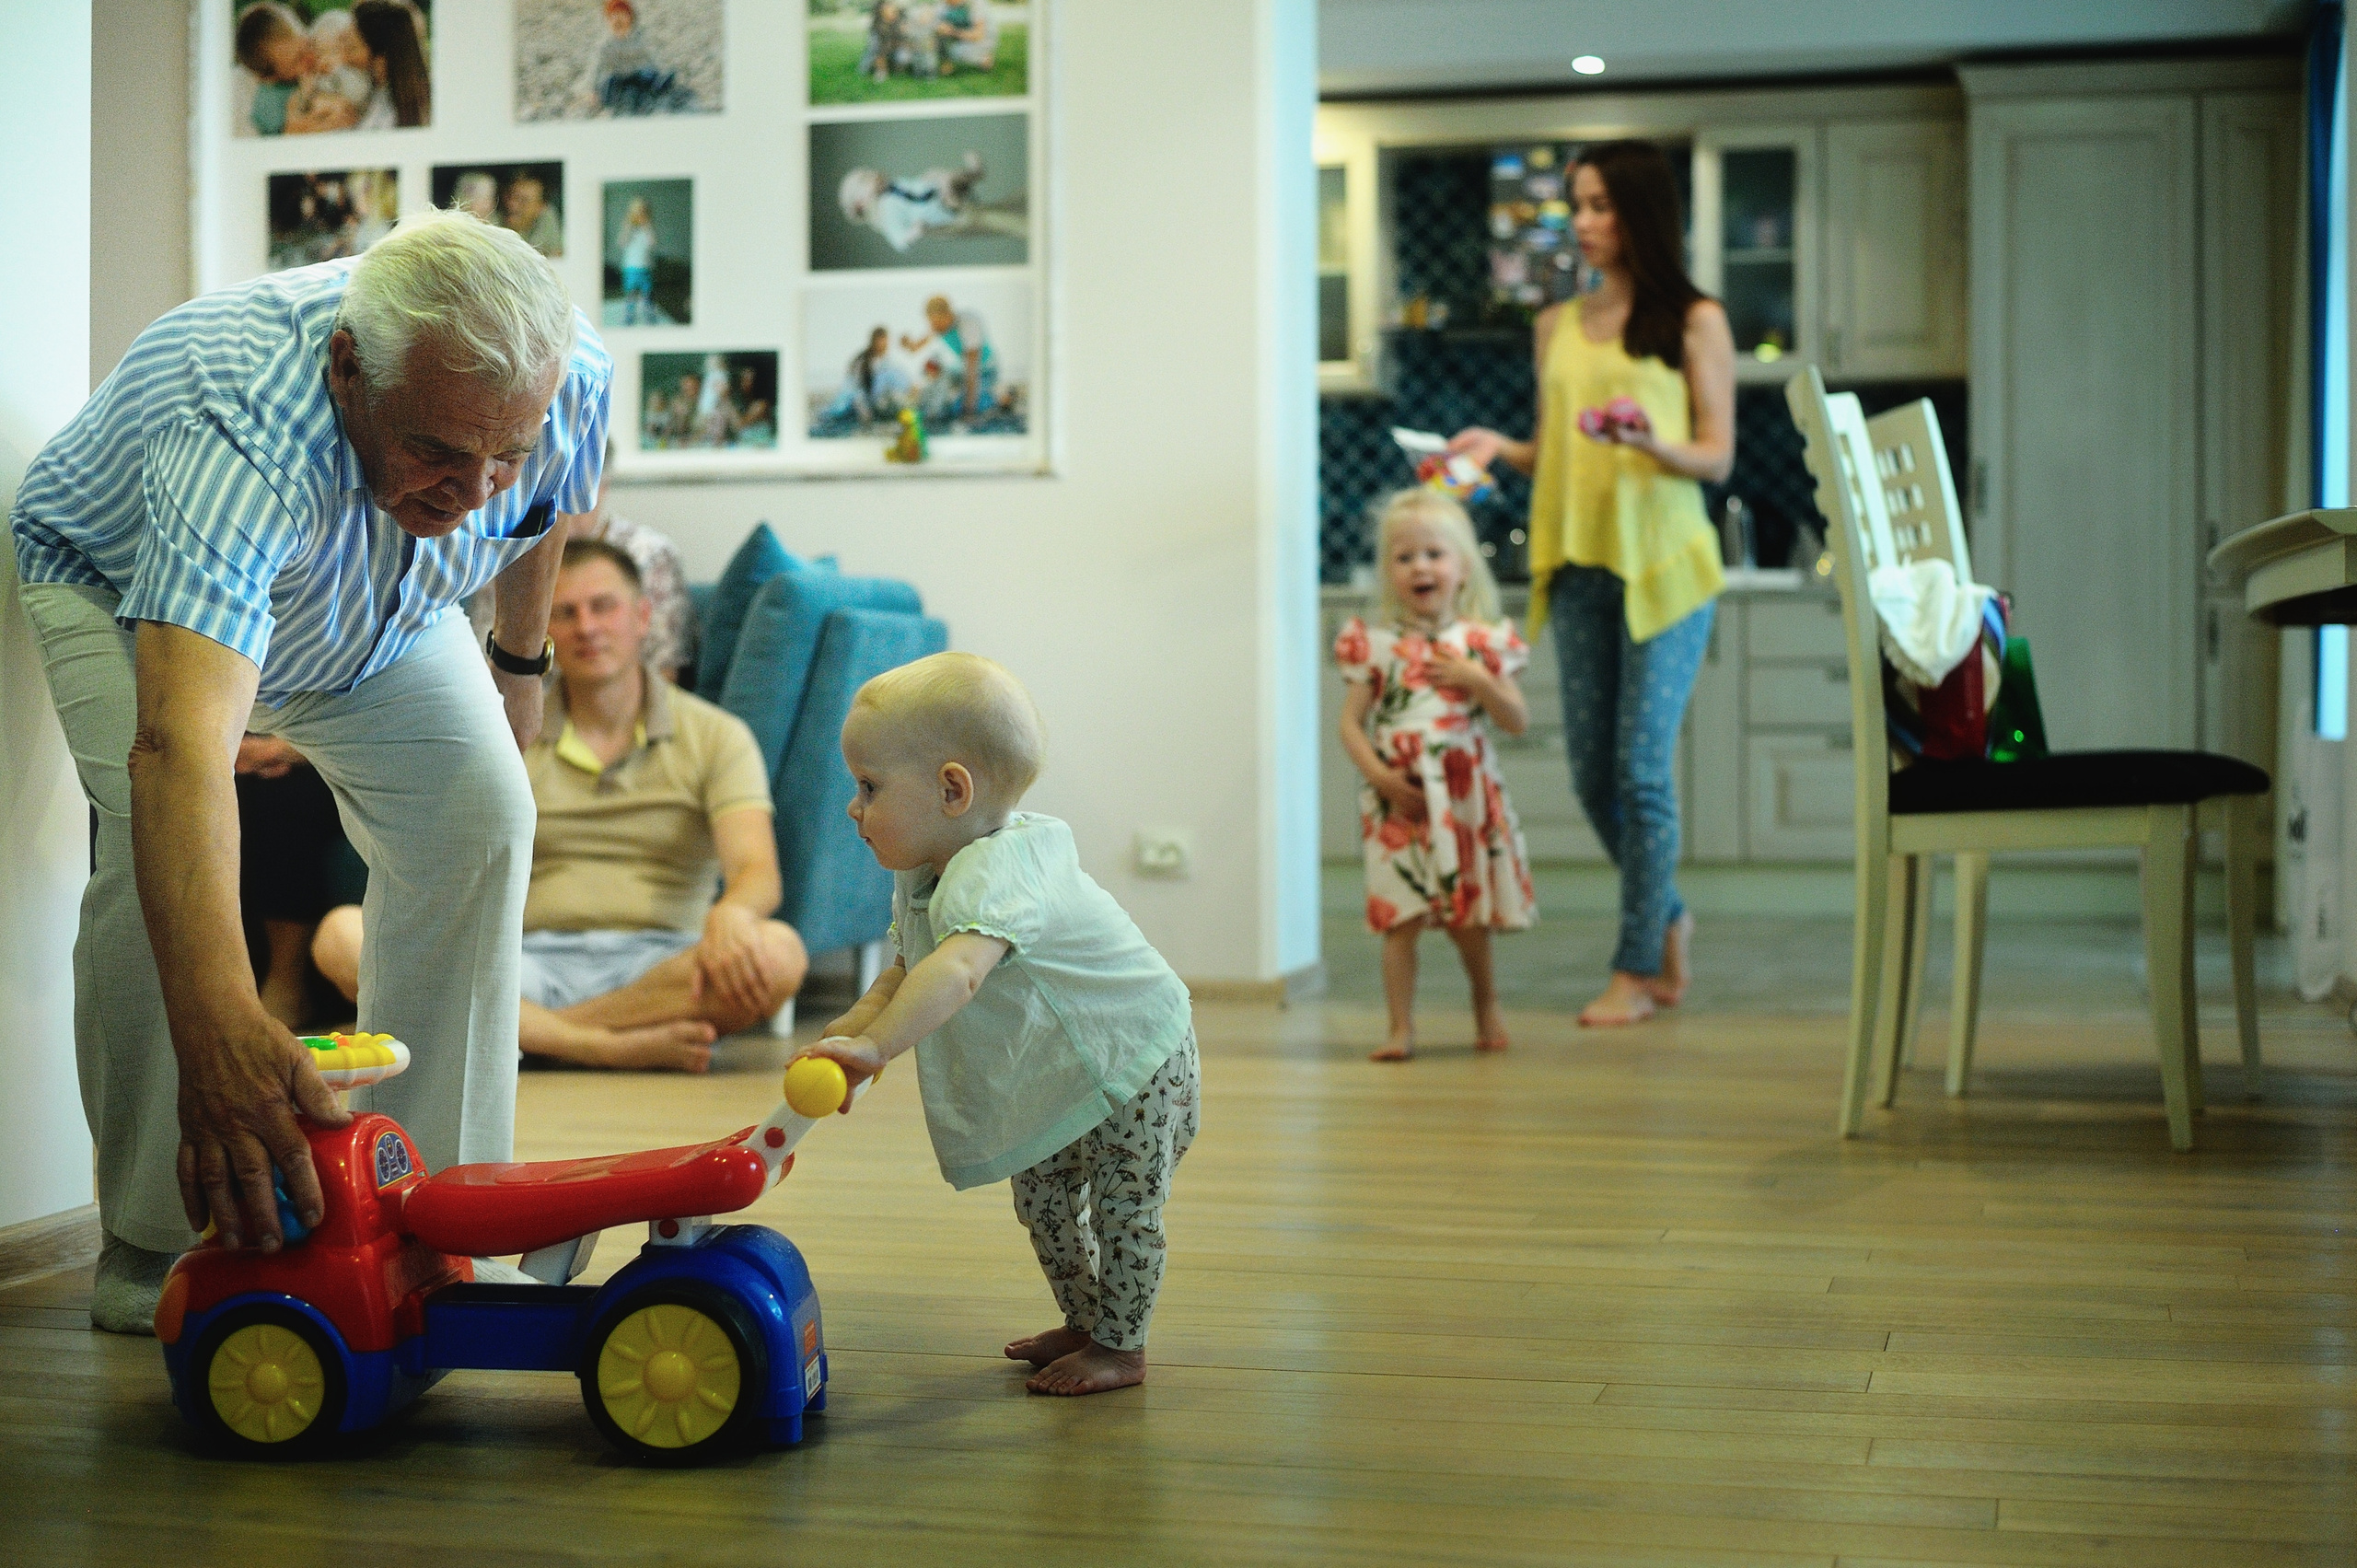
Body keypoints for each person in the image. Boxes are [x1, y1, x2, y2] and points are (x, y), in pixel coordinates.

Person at [12, 209, 609, 1332]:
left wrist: (518, 665)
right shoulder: (238, 422)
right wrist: (222, 1033)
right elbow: (178, 754)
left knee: (482, 812)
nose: (476, 484)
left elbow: (548, 507)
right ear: (349, 369)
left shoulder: (560, 370)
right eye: (437, 447)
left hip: (377, 597)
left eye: (505, 450)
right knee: (155, 855)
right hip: (111, 581)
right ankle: (157, 1241)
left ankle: (441, 1217)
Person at [798, 653, 1197, 1396]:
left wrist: (880, 1044)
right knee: (1042, 1201)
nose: (853, 807)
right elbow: (907, 967)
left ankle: (1122, 1345)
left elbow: (957, 972)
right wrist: (852, 1035)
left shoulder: (1004, 867)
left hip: (1138, 1058)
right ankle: (1086, 1319)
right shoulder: (928, 864)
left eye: (870, 786)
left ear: (953, 789)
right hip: (1069, 1066)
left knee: (1124, 1210)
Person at [317, 539, 807, 1071]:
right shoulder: (506, 731)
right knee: (342, 935)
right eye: (566, 613)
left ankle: (526, 1036)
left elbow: (757, 871)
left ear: (643, 617)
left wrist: (732, 913)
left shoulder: (718, 735)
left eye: (604, 607)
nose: (587, 627)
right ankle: (602, 1046)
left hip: (666, 968)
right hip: (522, 963)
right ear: (544, 631)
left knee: (779, 951)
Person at [1447, 139, 1735, 1028]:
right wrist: (1500, 447)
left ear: (1642, 212)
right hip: (1576, 564)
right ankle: (1670, 911)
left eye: (1601, 204)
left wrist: (1652, 442)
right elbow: (1553, 450)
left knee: (1643, 772)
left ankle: (1638, 967)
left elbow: (1717, 456)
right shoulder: (1556, 327)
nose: (1584, 222)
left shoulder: (1695, 319)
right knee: (1591, 777)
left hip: (1665, 567)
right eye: (1578, 204)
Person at [1335, 490, 1536, 1062]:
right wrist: (1383, 779)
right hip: (1396, 803)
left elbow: (1516, 720)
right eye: (1404, 557)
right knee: (1400, 917)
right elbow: (1351, 725)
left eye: (1433, 554)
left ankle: (1486, 1007)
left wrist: (1477, 678)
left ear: (1463, 566)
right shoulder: (1375, 644)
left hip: (1463, 798)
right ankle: (1400, 1027)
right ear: (1388, 572)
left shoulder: (1480, 643)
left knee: (1467, 920)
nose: (1419, 566)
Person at [236, 2, 355, 135]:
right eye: (296, 61)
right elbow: (290, 134)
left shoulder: (325, 37)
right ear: (269, 78)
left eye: (308, 44)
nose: (309, 57)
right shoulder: (268, 105)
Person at [900, 295, 994, 424]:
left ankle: (1001, 398)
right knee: (937, 369)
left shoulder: (967, 324)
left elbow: (972, 372)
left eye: (936, 323)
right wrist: (907, 344)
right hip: (962, 369)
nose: (934, 327)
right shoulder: (938, 325)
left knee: (963, 407)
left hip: (985, 369)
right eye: (931, 323)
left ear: (947, 315)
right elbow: (916, 348)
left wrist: (968, 411)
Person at [350, 0, 433, 130]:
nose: (345, 57)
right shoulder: (375, 95)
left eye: (353, 47)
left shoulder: (392, 115)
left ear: (381, 59)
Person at [615, 196, 657, 324]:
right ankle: (629, 314)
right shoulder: (628, 228)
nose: (639, 215)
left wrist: (646, 225)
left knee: (647, 293)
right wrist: (628, 226)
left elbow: (653, 243)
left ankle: (649, 314)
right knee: (630, 293)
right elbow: (621, 243)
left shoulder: (648, 229)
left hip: (645, 267)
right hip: (631, 268)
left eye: (642, 212)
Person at [504, 173, 564, 260]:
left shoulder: (547, 219)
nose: (512, 205)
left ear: (540, 207)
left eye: (523, 201)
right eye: (509, 196)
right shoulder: (490, 218)